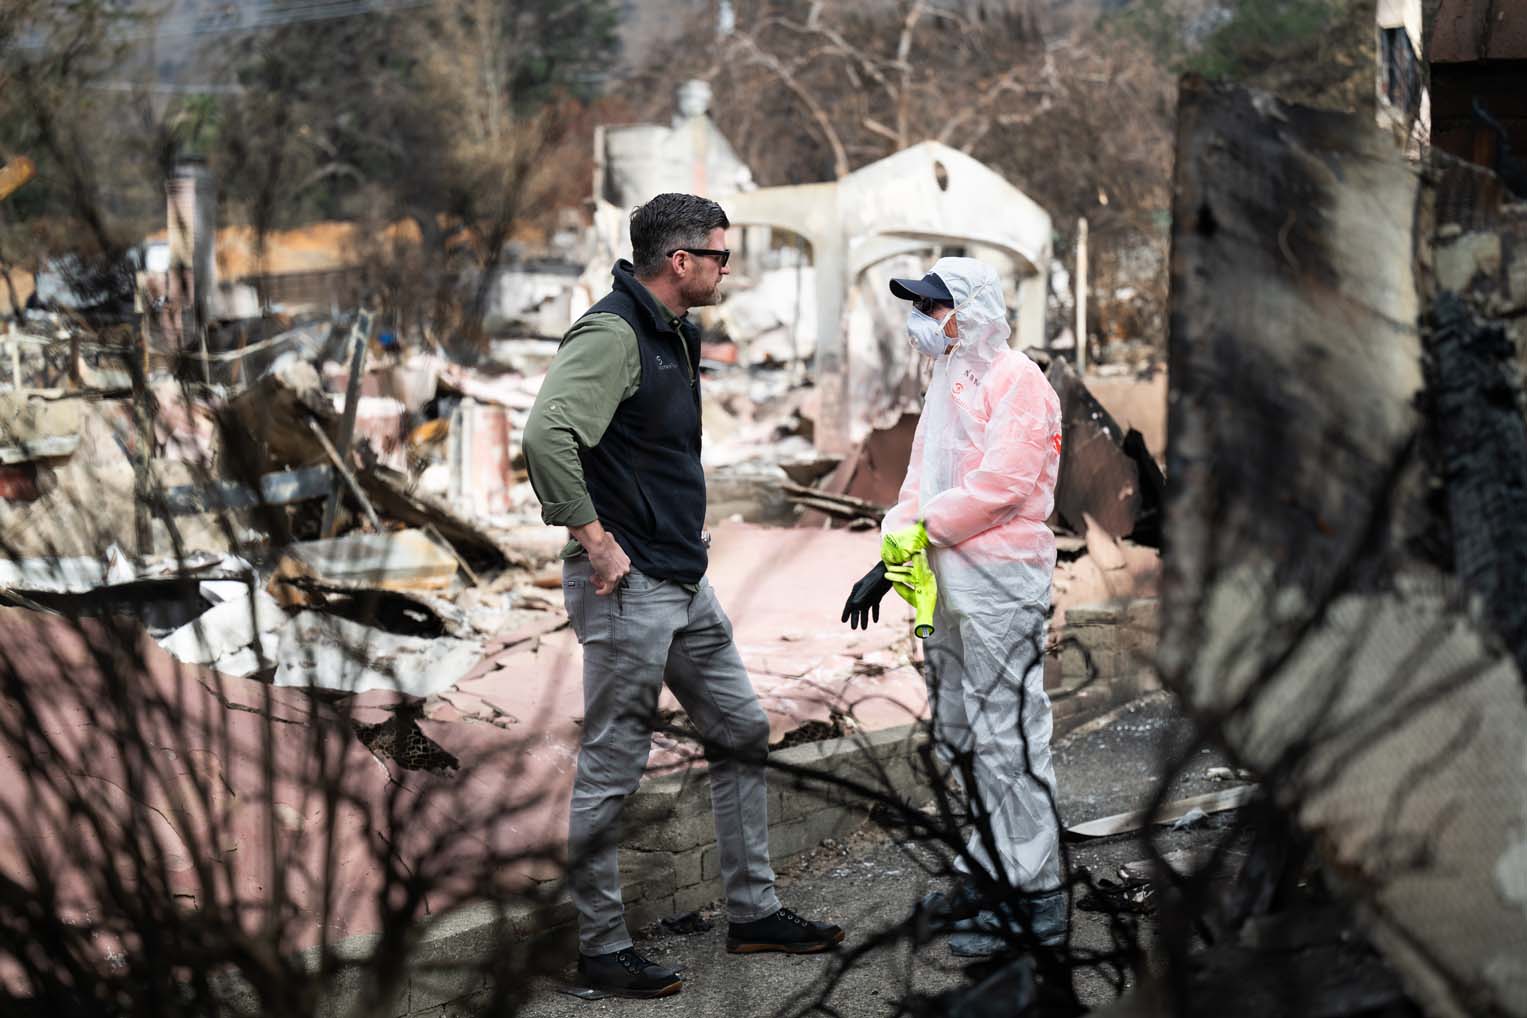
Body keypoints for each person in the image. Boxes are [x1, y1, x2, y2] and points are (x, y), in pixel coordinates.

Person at [523, 193, 844, 999]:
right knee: (611, 767)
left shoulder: (675, 334)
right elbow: (546, 434)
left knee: (740, 728)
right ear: (680, 260)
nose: (726, 268)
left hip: (682, 580)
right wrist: (594, 540)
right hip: (627, 586)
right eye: (720, 255)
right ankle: (600, 947)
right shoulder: (613, 334)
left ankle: (753, 912)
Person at [841, 257, 1066, 957]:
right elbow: (922, 480)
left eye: (934, 308)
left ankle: (1036, 896)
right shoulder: (949, 382)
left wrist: (910, 538)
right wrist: (891, 559)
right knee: (965, 736)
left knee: (1010, 737)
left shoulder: (1018, 382)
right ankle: (987, 867)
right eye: (920, 307)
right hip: (946, 583)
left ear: (972, 311)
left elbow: (1000, 486)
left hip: (999, 583)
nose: (923, 321)